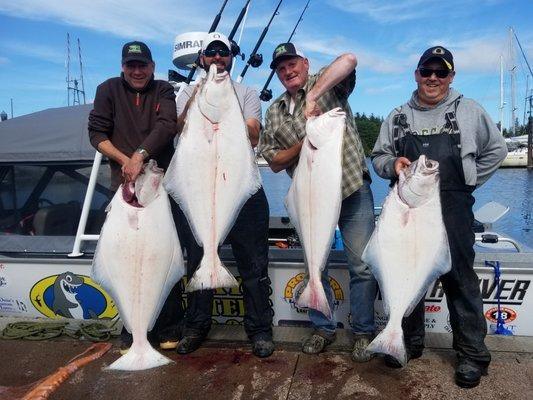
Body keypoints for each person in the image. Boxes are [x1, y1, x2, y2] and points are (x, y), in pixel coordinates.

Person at [371, 46, 507, 388]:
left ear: (451, 77)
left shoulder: (469, 110)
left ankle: (472, 354)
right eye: (426, 71)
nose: (433, 78)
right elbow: (380, 157)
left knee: (460, 280)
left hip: (454, 207)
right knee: (405, 269)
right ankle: (406, 341)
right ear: (416, 74)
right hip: (408, 207)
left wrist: (470, 180)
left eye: (440, 72)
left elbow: (498, 150)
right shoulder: (398, 115)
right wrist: (394, 165)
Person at [259, 42, 377, 362]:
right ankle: (322, 328)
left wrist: (312, 98)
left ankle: (363, 332)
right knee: (316, 266)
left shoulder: (326, 86)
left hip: (353, 190)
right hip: (311, 202)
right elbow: (273, 161)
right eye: (281, 68)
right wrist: (306, 140)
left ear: (306, 63)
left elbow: (350, 59)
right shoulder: (274, 111)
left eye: (292, 64)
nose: (288, 71)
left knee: (362, 266)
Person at [174, 32, 274, 358]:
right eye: (212, 54)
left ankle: (260, 330)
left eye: (224, 53)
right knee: (199, 260)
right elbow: (177, 127)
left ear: (231, 58)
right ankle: (196, 325)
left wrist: (224, 104)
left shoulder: (245, 93)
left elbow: (254, 133)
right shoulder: (188, 91)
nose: (219, 58)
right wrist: (200, 94)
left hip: (240, 190)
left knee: (254, 267)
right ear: (201, 59)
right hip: (200, 188)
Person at [88, 40, 183, 353]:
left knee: (162, 256)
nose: (138, 71)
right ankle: (132, 330)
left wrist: (140, 155)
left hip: (158, 187)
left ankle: (168, 325)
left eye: (143, 65)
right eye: (132, 65)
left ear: (152, 67)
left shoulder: (164, 91)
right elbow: (97, 133)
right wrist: (125, 159)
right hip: (124, 187)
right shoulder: (108, 90)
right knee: (124, 261)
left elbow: (167, 125)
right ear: (123, 67)